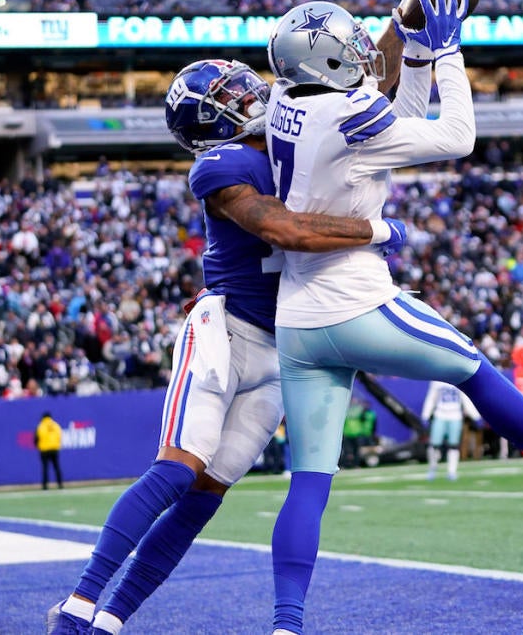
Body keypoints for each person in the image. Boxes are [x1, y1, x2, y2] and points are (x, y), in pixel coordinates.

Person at [263, 0, 523, 635]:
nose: (363, 53)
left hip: (297, 319)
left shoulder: (288, 97)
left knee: (307, 482)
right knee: (473, 367)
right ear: (325, 62)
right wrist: (446, 50)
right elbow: (455, 135)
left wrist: (413, 53)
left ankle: (286, 624)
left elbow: (401, 119)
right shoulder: (348, 116)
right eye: (349, 47)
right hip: (355, 300)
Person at [46, 57, 406, 635]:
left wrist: (403, 17)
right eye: (227, 92)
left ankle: (110, 620)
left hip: (286, 346)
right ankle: (76, 607)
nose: (247, 90)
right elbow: (289, 231)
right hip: (226, 332)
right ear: (209, 120)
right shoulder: (224, 163)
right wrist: (383, 231)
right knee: (176, 471)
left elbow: (361, 88)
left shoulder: (294, 139)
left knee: (205, 497)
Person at [421, 380, 480, 480]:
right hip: (440, 414)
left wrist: (475, 416)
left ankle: (452, 471)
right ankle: (433, 467)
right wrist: (425, 415)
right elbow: (431, 398)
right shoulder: (437, 380)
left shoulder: (458, 378)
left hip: (455, 415)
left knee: (453, 446)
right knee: (434, 445)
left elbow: (465, 399)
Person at [341, 396, 377, 469]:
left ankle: (356, 465)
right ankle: (344, 465)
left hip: (357, 434)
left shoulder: (360, 411)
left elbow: (366, 421)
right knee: (347, 451)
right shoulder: (347, 410)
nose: (353, 402)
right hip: (347, 433)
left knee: (356, 451)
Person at [35, 412, 64, 490]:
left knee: (45, 468)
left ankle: (45, 485)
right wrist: (56, 444)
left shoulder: (41, 426)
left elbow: (36, 438)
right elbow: (59, 436)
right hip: (54, 449)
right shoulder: (56, 425)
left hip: (44, 450)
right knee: (56, 467)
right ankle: (60, 484)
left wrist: (38, 446)